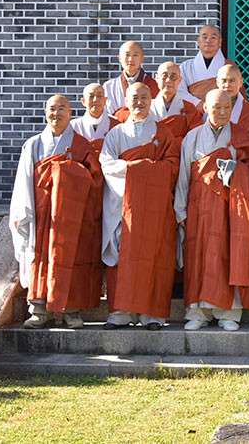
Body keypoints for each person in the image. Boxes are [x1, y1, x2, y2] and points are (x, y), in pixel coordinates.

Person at [174, 90, 249, 332]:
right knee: (199, 257)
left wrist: (238, 171)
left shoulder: (240, 135)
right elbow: (183, 176)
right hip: (199, 206)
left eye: (227, 107)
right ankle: (198, 311)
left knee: (229, 256)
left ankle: (230, 312)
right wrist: (180, 209)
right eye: (217, 107)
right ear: (205, 108)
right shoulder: (193, 137)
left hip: (231, 210)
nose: (222, 112)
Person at [9, 95, 104, 329]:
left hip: (73, 215)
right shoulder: (33, 144)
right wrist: (23, 210)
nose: (57, 113)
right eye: (52, 109)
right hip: (42, 214)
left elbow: (96, 180)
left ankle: (72, 311)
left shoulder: (82, 145)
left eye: (62, 108)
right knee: (41, 258)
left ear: (70, 113)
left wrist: (69, 174)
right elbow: (24, 180)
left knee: (73, 258)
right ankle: (40, 310)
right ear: (45, 113)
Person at [100, 82, 180, 330]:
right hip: (124, 203)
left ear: (151, 100)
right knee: (122, 256)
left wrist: (146, 170)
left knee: (154, 256)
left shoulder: (163, 133)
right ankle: (120, 313)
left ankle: (151, 314)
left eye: (145, 97)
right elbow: (107, 164)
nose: (139, 102)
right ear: (126, 99)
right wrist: (138, 169)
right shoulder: (116, 134)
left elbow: (173, 165)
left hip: (154, 207)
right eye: (135, 97)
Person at [133, 61, 203, 142]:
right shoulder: (146, 106)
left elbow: (194, 139)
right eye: (164, 76)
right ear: (157, 78)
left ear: (179, 80)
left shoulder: (189, 109)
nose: (168, 80)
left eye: (173, 77)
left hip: (179, 153)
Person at [177, 24, 232, 105]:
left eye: (213, 37)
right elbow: (179, 91)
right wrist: (198, 103)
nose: (208, 41)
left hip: (221, 111)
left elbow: (235, 94)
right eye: (205, 37)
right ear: (198, 41)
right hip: (193, 112)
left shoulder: (229, 66)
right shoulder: (186, 67)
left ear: (220, 42)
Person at [103, 41, 159, 117]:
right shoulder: (109, 86)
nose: (130, 59)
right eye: (127, 55)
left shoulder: (153, 85)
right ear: (120, 58)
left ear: (142, 59)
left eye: (135, 55)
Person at [216, 63, 249, 143]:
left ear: (240, 82)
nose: (227, 85)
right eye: (224, 81)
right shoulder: (209, 108)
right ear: (217, 82)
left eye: (232, 81)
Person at [70, 83, 118, 150]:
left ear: (105, 100)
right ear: (83, 101)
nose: (95, 100)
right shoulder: (73, 126)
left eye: (99, 96)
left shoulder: (116, 125)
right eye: (91, 96)